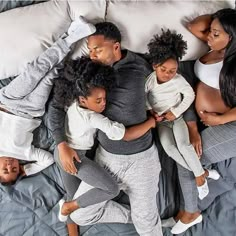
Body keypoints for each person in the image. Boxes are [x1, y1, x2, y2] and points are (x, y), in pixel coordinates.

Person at [48, 22, 163, 236]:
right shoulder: (84, 74)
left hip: (142, 159)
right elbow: (55, 107)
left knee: (148, 228)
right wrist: (61, 143)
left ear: (116, 47)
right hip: (108, 160)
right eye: (90, 50)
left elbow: (168, 84)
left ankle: (145, 220)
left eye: (97, 49)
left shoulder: (140, 66)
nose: (92, 55)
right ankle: (136, 217)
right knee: (80, 215)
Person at [0, 18, 95, 184]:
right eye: (14, 169)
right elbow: (48, 159)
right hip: (31, 110)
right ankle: (72, 35)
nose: (10, 166)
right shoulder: (26, 155)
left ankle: (71, 36)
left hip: (7, 102)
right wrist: (25, 170)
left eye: (4, 169)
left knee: (35, 70)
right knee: (52, 74)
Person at [168, 8, 236, 234]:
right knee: (187, 153)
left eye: (215, 34)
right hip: (215, 122)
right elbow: (194, 26)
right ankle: (206, 176)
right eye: (211, 32)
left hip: (231, 125)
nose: (208, 36)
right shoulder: (215, 46)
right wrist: (223, 20)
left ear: (232, 37)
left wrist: (222, 119)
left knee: (189, 156)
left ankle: (191, 212)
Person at [145, 29, 220, 201]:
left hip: (177, 118)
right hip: (162, 122)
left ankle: (200, 180)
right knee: (170, 148)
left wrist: (176, 111)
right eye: (164, 69)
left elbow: (190, 95)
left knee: (184, 146)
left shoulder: (178, 80)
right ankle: (202, 173)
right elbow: (145, 98)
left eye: (173, 70)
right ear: (155, 66)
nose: (168, 74)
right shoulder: (149, 81)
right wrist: (152, 112)